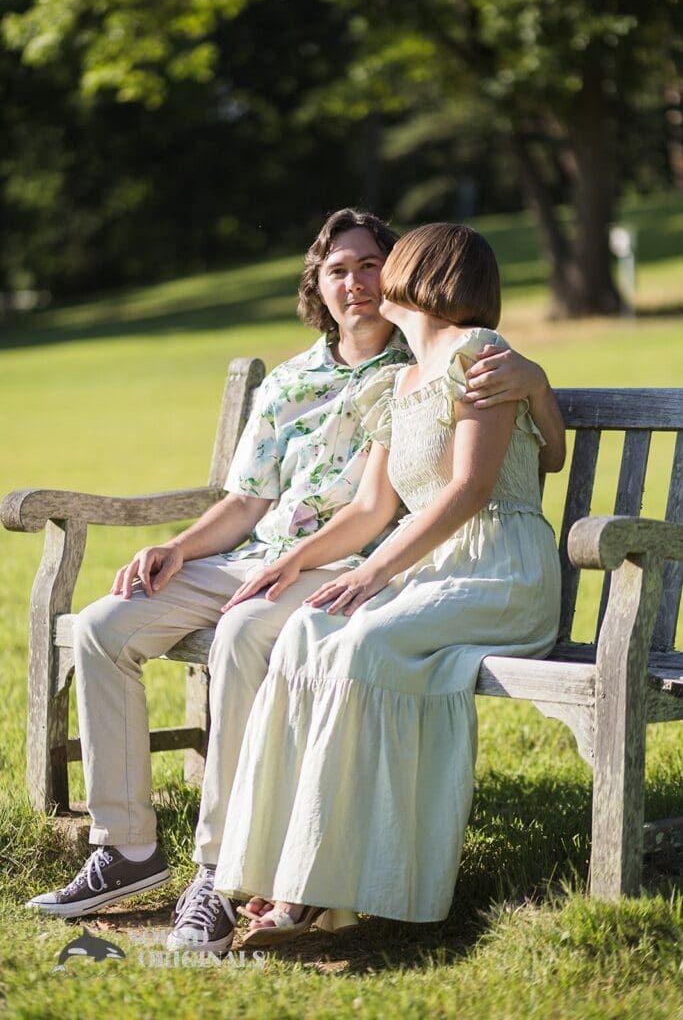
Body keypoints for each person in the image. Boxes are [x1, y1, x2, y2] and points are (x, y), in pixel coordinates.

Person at [26, 210, 564, 955]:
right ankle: (128, 850)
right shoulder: (324, 381)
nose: (359, 283)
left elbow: (475, 481)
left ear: (405, 276)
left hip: (383, 566)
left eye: (374, 265)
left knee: (258, 635)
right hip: (278, 558)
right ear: (319, 280)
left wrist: (535, 384)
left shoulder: (457, 358)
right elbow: (249, 499)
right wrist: (181, 548)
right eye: (339, 269)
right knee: (100, 623)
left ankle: (228, 870)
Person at [211, 222, 562, 943]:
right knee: (309, 629)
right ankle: (281, 869)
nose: (373, 275)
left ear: (421, 271)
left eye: (389, 258)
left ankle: (332, 889)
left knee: (362, 642)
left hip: (501, 571)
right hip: (436, 569)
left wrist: (374, 572)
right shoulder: (396, 383)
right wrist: (297, 561)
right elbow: (373, 506)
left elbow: (473, 486)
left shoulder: (479, 355)